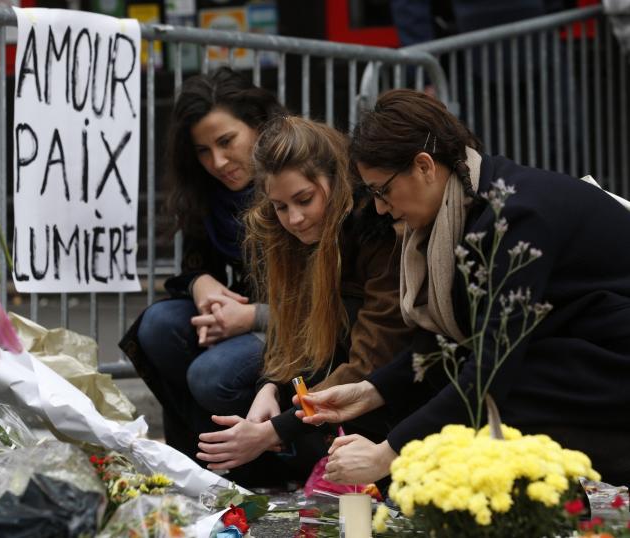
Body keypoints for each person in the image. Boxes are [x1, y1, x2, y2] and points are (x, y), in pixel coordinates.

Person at [297, 89, 630, 487]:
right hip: (581, 350)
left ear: (424, 166)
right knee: (448, 394)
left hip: (612, 359)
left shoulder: (513, 216)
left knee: (492, 399)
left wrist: (387, 454)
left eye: (382, 190)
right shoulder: (470, 204)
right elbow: (452, 340)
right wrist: (370, 391)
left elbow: (491, 366)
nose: (381, 208)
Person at [195, 116, 413, 482]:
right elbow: (287, 326)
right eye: (281, 206)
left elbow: (371, 360)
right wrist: (268, 386)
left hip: (387, 393)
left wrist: (276, 429)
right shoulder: (281, 234)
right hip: (329, 384)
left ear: (336, 182)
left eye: (304, 199)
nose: (294, 219)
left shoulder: (377, 232)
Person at [118, 68, 286, 468]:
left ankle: (258, 459)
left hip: (304, 331)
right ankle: (198, 454)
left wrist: (252, 316)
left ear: (260, 125)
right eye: (203, 151)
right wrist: (202, 285)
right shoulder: (210, 193)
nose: (218, 161)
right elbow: (193, 267)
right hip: (245, 318)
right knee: (158, 325)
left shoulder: (296, 179)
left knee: (210, 374)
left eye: (226, 141)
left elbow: (335, 301)